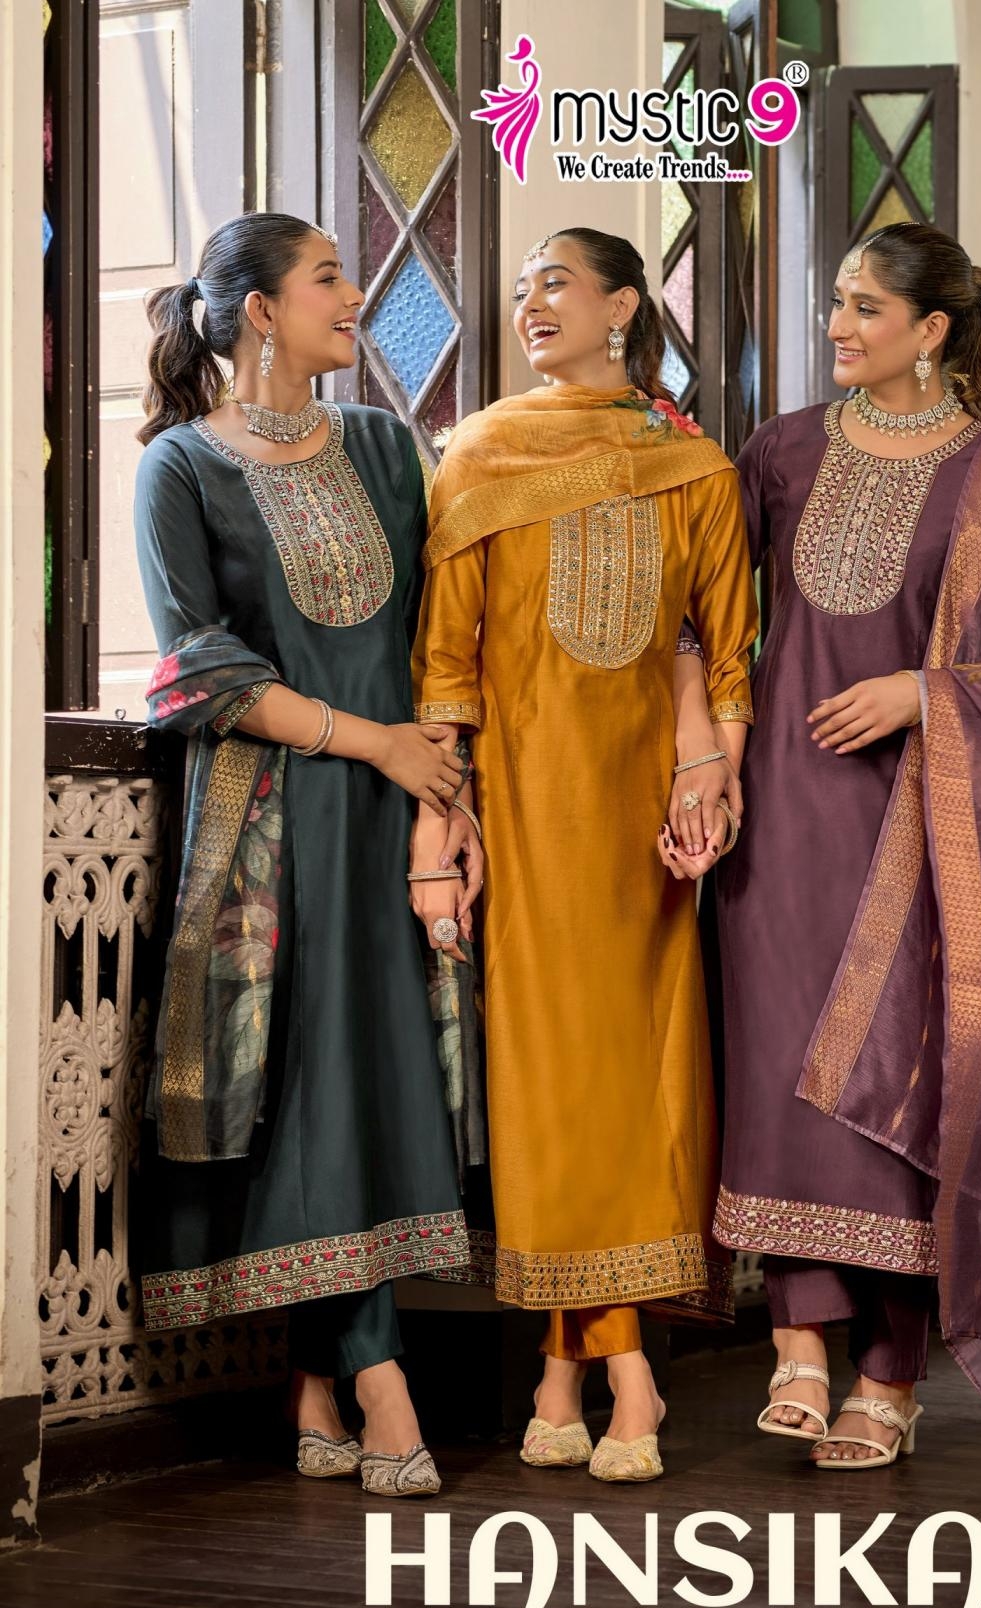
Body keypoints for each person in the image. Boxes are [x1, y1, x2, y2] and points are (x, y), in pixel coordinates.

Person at [712, 221, 981, 1467]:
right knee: (779, 1070)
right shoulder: (782, 451)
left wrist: (926, 693)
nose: (836, 325)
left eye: (863, 308)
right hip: (782, 813)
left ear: (931, 330)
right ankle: (797, 1338)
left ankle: (890, 1373)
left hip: (923, 823)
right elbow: (708, 608)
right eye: (837, 301)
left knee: (907, 1075)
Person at [133, 211, 482, 1498]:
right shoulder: (179, 466)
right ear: (262, 312)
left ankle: (316, 1384)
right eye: (329, 276)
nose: (354, 296)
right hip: (269, 821)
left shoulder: (387, 446)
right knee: (304, 1085)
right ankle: (383, 1385)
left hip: (395, 815)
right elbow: (196, 666)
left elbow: (444, 631)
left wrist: (442, 796)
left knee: (367, 1085)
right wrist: (372, 744)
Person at [411, 228, 757, 1482]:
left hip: (646, 828)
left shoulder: (692, 466)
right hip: (521, 814)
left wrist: (712, 781)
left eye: (555, 282)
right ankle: (624, 1375)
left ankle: (570, 1376)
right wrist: (439, 822)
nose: (532, 304)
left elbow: (728, 650)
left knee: (635, 1079)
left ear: (623, 306)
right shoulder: (477, 453)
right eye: (521, 291)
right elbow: (446, 666)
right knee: (551, 1084)